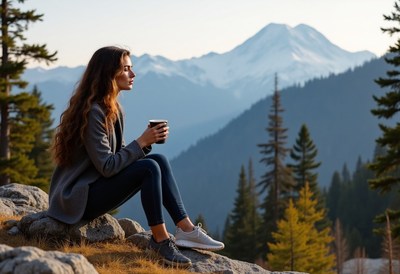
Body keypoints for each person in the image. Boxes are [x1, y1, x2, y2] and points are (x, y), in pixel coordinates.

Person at [47, 46, 224, 267]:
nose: (133, 74)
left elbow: (117, 154)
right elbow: (108, 166)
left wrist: (146, 144)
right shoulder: (94, 113)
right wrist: (142, 141)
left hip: (93, 187)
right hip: (76, 199)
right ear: (109, 74)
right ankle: (160, 239)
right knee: (148, 168)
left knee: (158, 161)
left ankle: (186, 229)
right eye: (126, 69)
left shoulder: (111, 108)